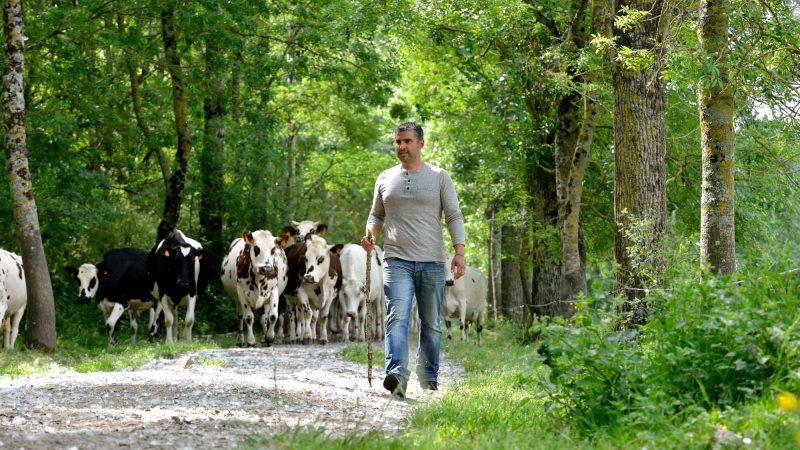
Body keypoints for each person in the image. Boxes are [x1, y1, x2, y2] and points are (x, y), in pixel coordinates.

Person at [361, 121, 466, 397]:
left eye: (407, 141)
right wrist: (370, 235)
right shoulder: (385, 178)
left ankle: (429, 376)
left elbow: (453, 215)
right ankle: (396, 374)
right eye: (397, 141)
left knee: (431, 323)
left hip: (432, 261)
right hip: (396, 260)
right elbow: (376, 216)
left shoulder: (439, 177)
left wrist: (459, 252)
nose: (401, 146)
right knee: (396, 318)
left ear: (421, 144)